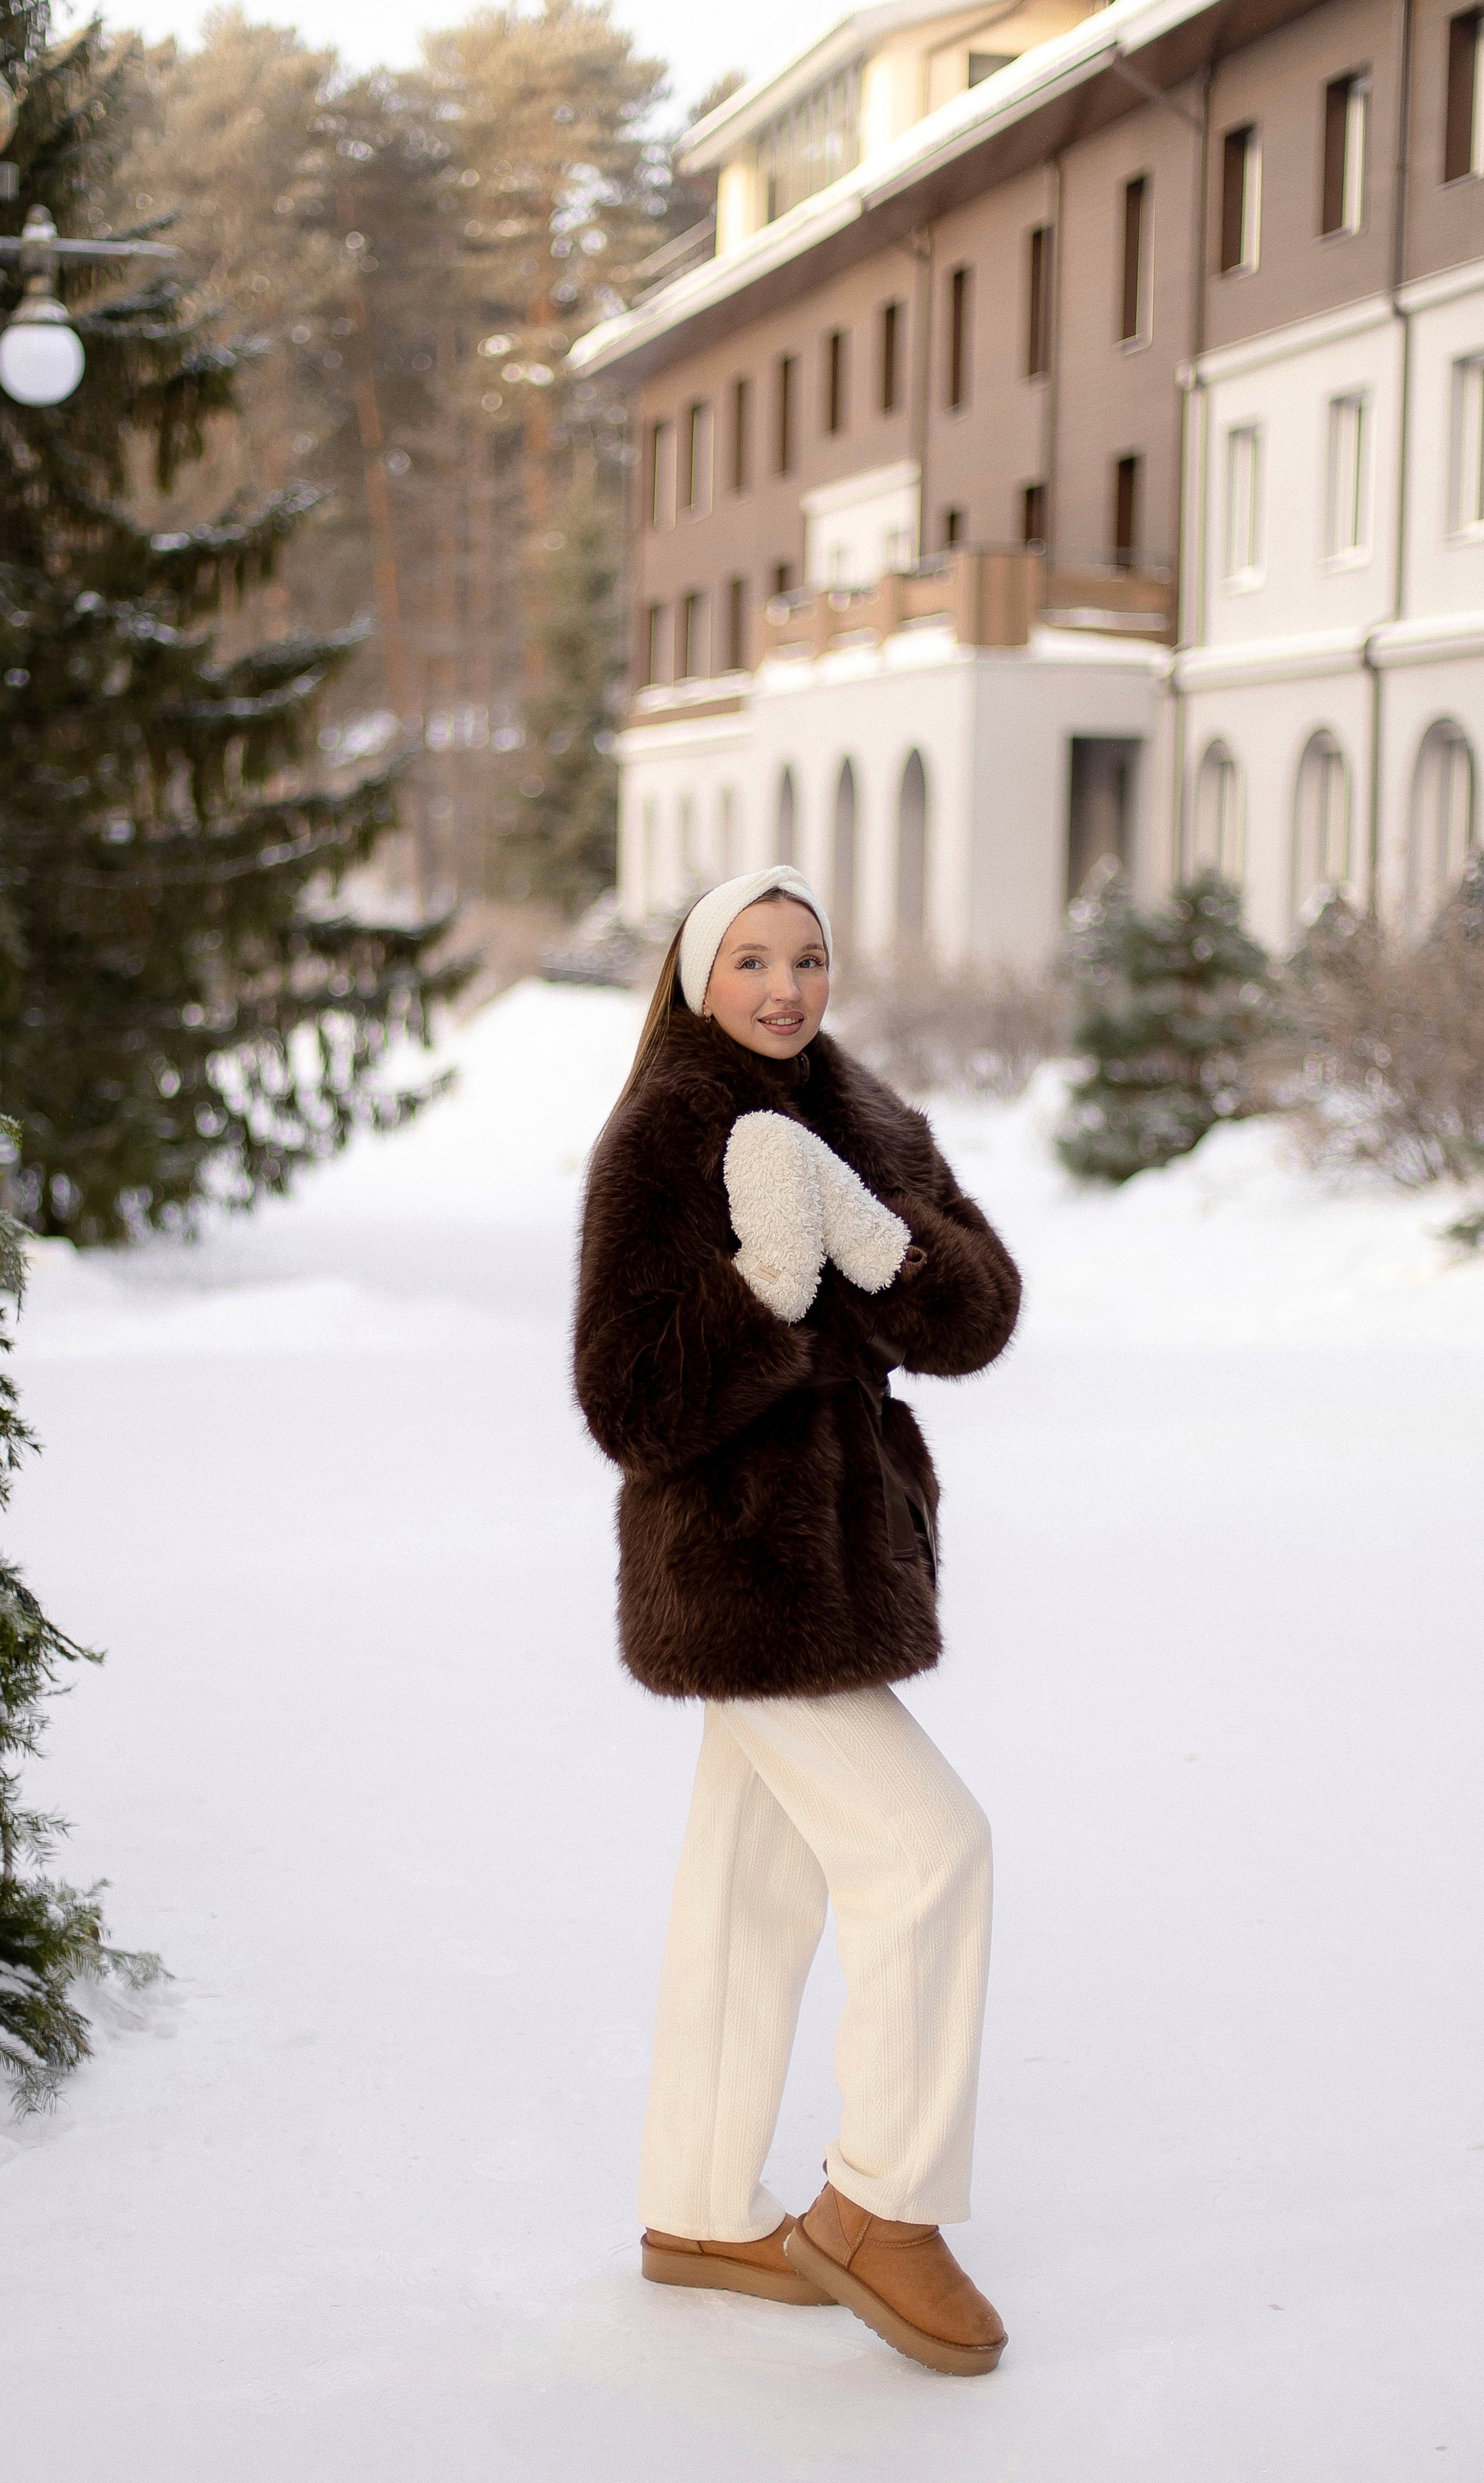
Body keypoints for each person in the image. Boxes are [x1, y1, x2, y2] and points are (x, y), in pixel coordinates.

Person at [573, 865, 1022, 2378]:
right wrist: (764, 1284)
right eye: (751, 959)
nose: (784, 987)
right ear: (697, 978)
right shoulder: (662, 1134)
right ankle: (880, 2210)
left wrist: (873, 1239)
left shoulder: (871, 1120)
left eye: (808, 958)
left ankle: (696, 2207)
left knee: (751, 1886)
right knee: (927, 1849)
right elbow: (625, 1400)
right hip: (738, 1569)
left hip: (854, 1556)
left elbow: (978, 1313)